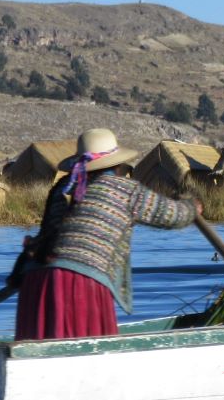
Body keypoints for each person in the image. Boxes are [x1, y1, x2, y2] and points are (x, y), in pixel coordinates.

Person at [13, 128, 198, 340]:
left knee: (40, 345)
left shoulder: (63, 187)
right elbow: (173, 215)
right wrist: (192, 206)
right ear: (118, 164)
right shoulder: (124, 189)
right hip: (79, 282)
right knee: (84, 346)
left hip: (35, 282)